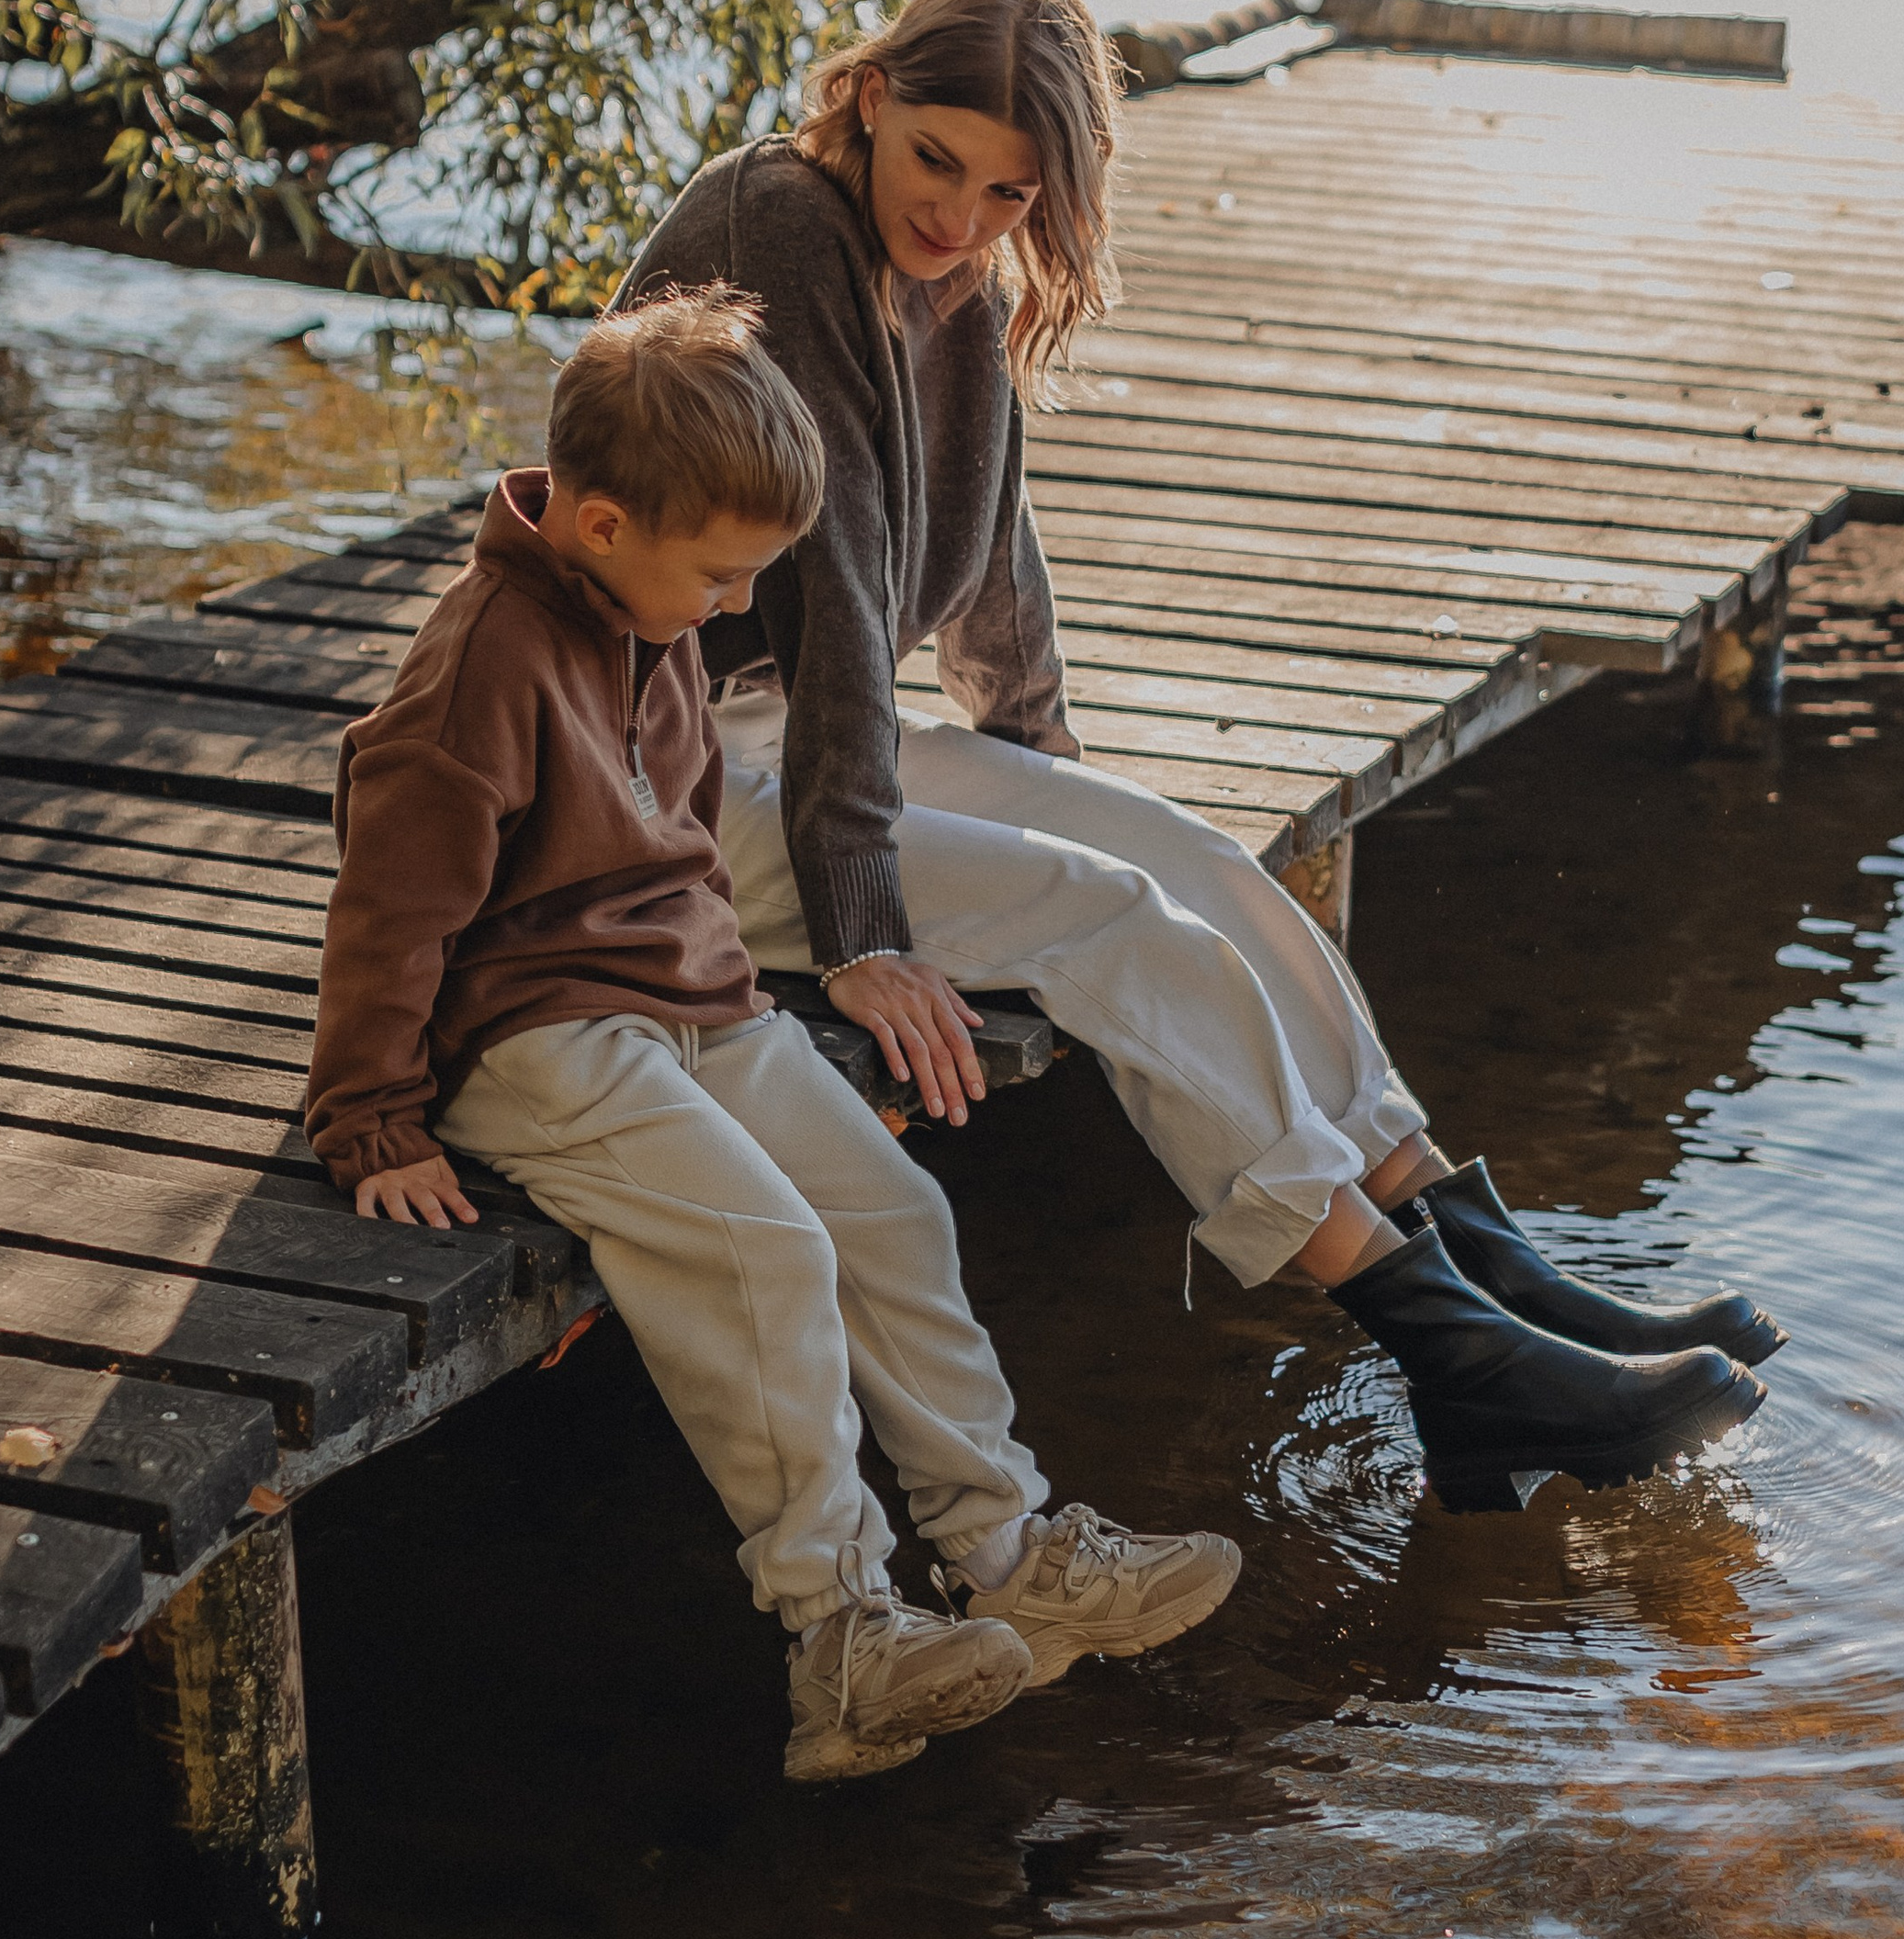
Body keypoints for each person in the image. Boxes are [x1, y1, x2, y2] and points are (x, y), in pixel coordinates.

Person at [615, 0, 1779, 1514]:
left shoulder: (955, 275)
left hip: (795, 731)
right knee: (1103, 917)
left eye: (1009, 192)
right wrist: (864, 929)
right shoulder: (781, 223)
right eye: (939, 161)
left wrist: (1042, 770)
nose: (961, 215)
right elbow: (834, 576)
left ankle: (1485, 1269)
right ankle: (1454, 1358)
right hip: (649, 778)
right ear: (873, 97)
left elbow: (993, 550)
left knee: (1195, 867)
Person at [302, 293, 1240, 1779]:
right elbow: (390, 904)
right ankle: (839, 1637)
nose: (734, 603)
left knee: (889, 1209)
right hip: (533, 1036)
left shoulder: (647, 617)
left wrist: (733, 997)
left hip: (690, 1004)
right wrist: (370, 1119)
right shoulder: (482, 663)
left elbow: (680, 844)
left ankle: (1007, 1554)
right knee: (766, 1249)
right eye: (721, 574)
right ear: (602, 526)